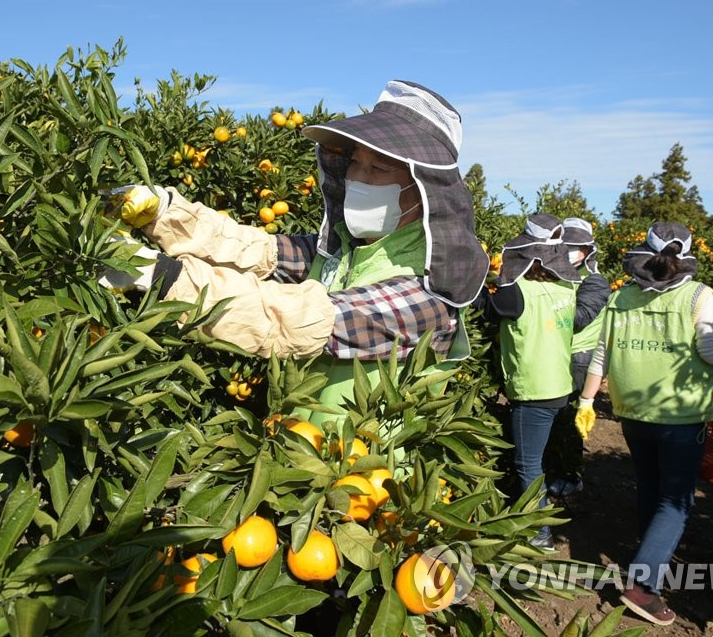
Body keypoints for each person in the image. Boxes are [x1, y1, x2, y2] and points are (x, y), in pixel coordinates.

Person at [101, 80, 489, 427]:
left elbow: (293, 318)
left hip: (366, 488)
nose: (357, 178)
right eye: (356, 162)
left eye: (380, 168)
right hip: (296, 454)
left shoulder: (431, 289)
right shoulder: (344, 246)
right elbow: (255, 248)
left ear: (423, 189)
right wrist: (163, 212)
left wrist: (160, 277)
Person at [577, 222, 713, 626]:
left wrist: (586, 401)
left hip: (632, 410)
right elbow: (712, 354)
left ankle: (649, 553)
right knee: (676, 502)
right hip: (681, 414)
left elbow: (600, 356)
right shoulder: (698, 294)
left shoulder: (622, 298)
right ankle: (643, 586)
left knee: (651, 486)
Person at [475, 213, 581, 550]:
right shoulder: (566, 287)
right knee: (536, 458)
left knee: (527, 464)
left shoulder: (516, 292)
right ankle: (536, 524)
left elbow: (484, 309)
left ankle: (539, 533)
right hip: (559, 386)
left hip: (533, 389)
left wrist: (475, 279)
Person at [545, 217, 610, 497]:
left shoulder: (594, 281)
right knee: (555, 418)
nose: (571, 251)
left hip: (581, 359)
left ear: (587, 250)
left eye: (577, 246)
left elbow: (580, 318)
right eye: (566, 245)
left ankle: (572, 475)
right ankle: (555, 469)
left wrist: (544, 305)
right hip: (556, 353)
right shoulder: (557, 275)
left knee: (569, 420)